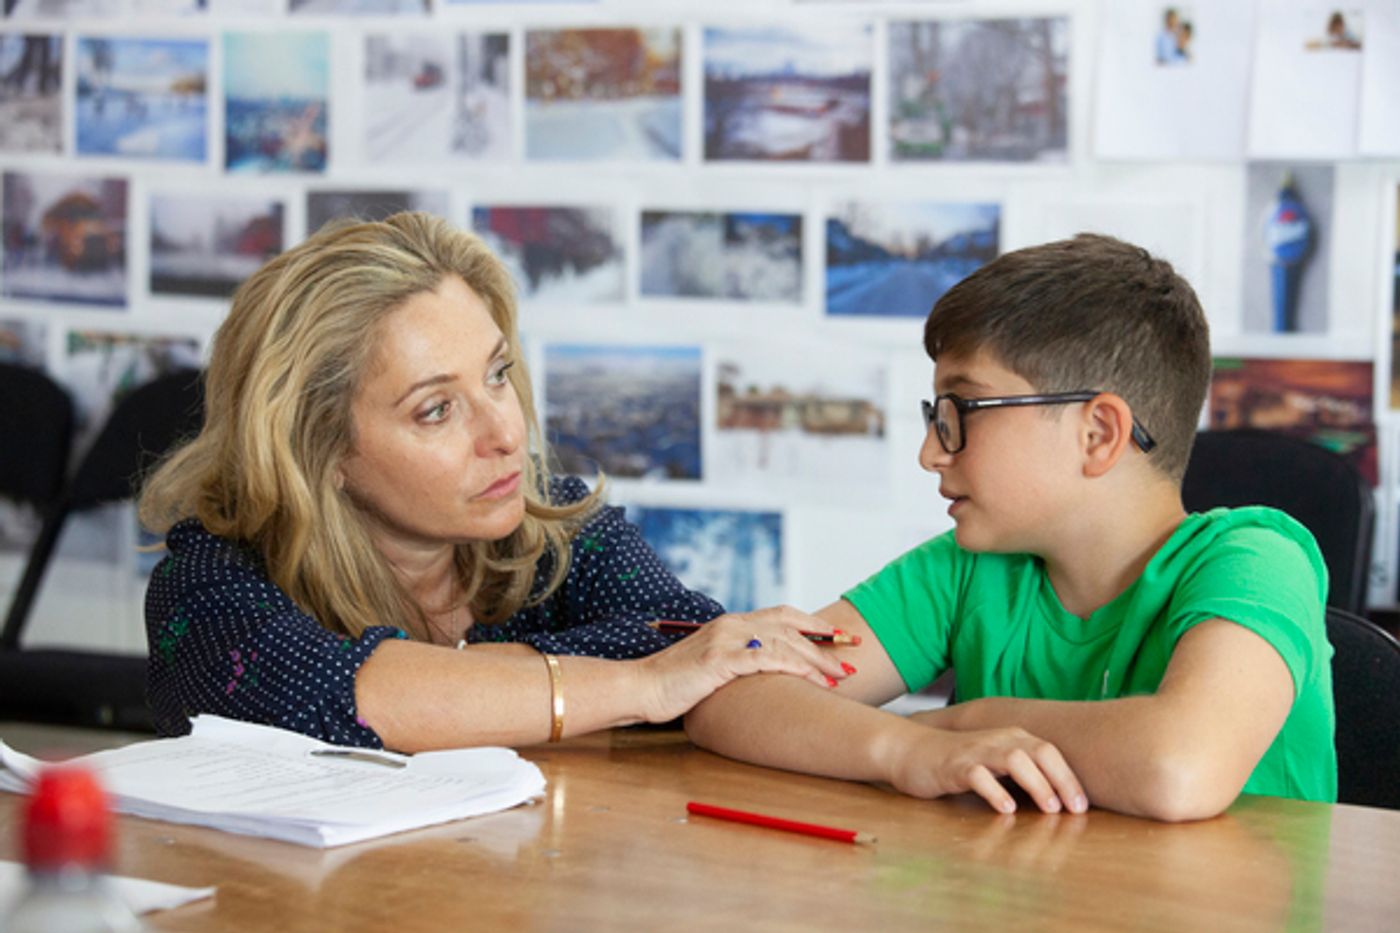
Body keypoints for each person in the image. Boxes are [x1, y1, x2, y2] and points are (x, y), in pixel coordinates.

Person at [138, 211, 853, 752]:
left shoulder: (559, 525)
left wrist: (473, 681)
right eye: (436, 409)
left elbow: (692, 639)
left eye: (498, 373)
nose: (506, 433)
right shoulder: (209, 578)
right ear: (321, 450)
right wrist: (642, 684)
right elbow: (333, 696)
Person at [686, 233, 1336, 821]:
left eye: (963, 409)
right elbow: (730, 698)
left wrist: (975, 719)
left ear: (1097, 433)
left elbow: (1179, 768)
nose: (932, 451)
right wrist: (906, 747)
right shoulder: (968, 568)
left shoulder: (1257, 560)